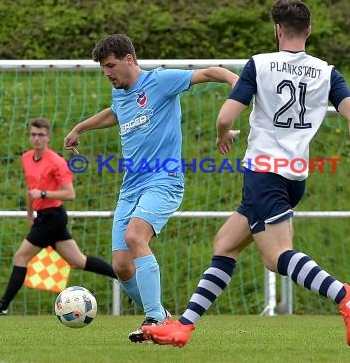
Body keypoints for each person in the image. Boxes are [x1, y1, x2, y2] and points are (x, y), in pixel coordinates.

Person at [142, 0, 350, 347]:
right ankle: (183, 325)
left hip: (264, 173)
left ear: (277, 29)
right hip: (294, 177)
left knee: (276, 257)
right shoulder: (327, 72)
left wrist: (223, 136)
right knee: (225, 244)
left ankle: (345, 294)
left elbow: (225, 117)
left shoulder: (260, 65)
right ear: (308, 31)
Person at [63, 34, 239, 343]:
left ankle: (155, 317)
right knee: (121, 265)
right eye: (104, 68)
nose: (107, 73)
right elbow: (115, 112)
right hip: (131, 187)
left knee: (135, 237)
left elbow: (208, 73)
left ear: (129, 59)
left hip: (164, 181)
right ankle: (160, 316)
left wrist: (234, 80)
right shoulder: (120, 91)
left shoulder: (160, 81)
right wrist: (80, 128)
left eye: (111, 66)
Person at [0, 118, 117, 315]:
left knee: (20, 256)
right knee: (78, 261)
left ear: (48, 138)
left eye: (40, 135)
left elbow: (70, 193)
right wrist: (29, 215)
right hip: (42, 217)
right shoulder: (26, 158)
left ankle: (2, 306)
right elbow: (30, 190)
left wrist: (44, 194)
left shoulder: (57, 162)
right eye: (33, 134)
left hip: (54, 217)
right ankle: (122, 275)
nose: (36, 138)